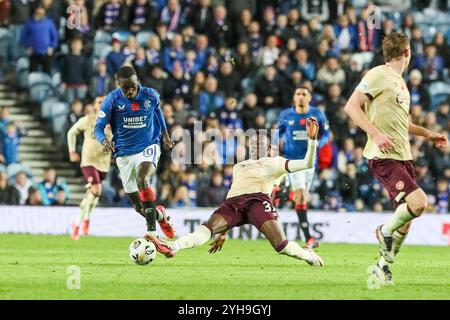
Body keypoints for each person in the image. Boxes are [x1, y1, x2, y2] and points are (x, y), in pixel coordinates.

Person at [344, 32, 448, 284]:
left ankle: (382, 267)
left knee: (407, 219)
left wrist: (428, 134)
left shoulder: (399, 83)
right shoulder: (378, 74)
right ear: (407, 52)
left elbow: (405, 124)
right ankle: (383, 231)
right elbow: (351, 106)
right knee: (420, 203)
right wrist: (375, 134)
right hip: (384, 156)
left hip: (404, 156)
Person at [146, 120, 324, 267]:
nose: (255, 145)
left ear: (269, 148)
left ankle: (308, 256)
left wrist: (312, 140)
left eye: (260, 143)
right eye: (253, 143)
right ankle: (173, 246)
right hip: (233, 203)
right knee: (207, 228)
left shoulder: (275, 162)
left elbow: (307, 163)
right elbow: (233, 191)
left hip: (258, 201)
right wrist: (224, 232)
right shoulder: (239, 166)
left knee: (281, 246)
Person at [94, 65, 176, 251]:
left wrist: (165, 135)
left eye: (133, 86)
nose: (130, 91)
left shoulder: (151, 95)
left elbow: (157, 111)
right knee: (140, 208)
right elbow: (98, 127)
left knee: (143, 180)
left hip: (149, 145)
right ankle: (161, 216)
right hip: (124, 153)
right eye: (126, 88)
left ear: (137, 80)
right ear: (118, 85)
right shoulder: (112, 99)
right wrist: (104, 141)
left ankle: (153, 236)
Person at [273, 86, 329, 249]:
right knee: (301, 195)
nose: (301, 97)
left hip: (310, 161)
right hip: (293, 160)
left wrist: (319, 142)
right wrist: (276, 145)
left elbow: (326, 133)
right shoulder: (286, 115)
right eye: (298, 94)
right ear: (294, 97)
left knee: (301, 199)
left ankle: (282, 193)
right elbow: (278, 132)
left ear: (309, 98)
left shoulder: (318, 114)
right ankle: (310, 239)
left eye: (304, 94)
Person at [67, 96, 112, 240]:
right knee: (96, 189)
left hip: (104, 163)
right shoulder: (88, 120)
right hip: (89, 161)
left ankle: (77, 223)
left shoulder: (114, 122)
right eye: (99, 102)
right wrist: (72, 151)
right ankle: (85, 219)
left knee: (93, 195)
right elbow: (71, 132)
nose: (102, 104)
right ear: (94, 106)